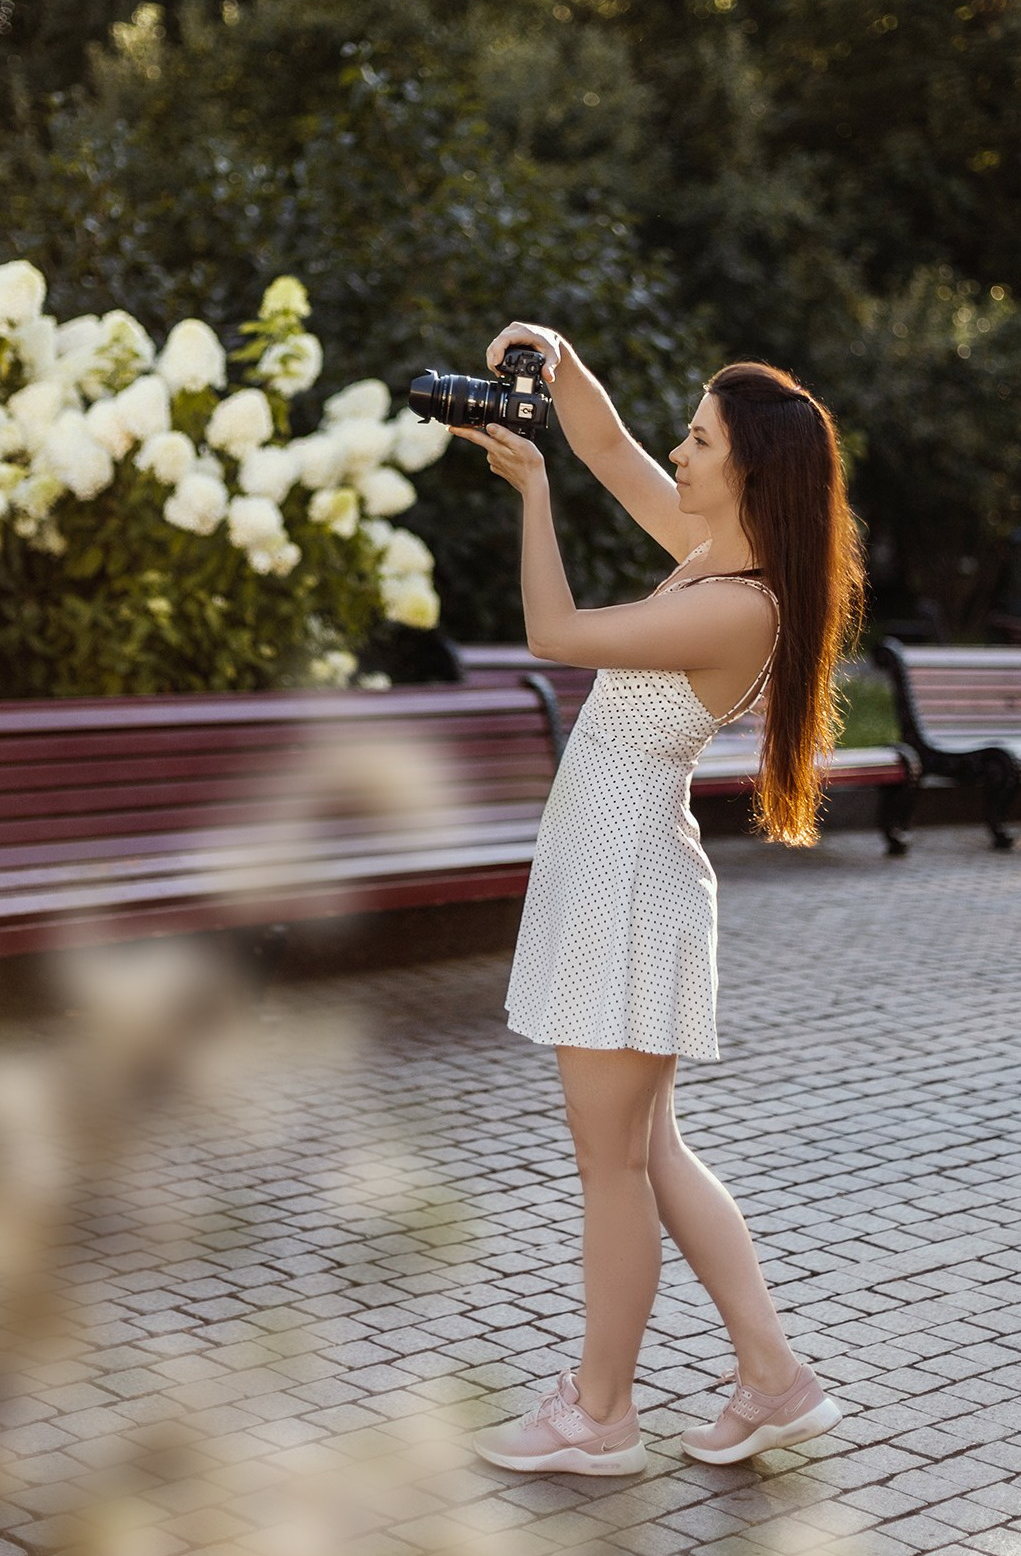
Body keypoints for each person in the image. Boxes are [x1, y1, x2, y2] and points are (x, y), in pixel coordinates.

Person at [449, 322, 865, 1477]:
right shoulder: (703, 548)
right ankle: (776, 1380)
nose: (678, 453)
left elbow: (555, 633)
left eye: (700, 439)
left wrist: (530, 491)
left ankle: (599, 1414)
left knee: (614, 1165)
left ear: (749, 472)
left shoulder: (741, 604)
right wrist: (559, 362)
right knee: (652, 1151)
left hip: (626, 885)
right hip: (617, 873)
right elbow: (613, 444)